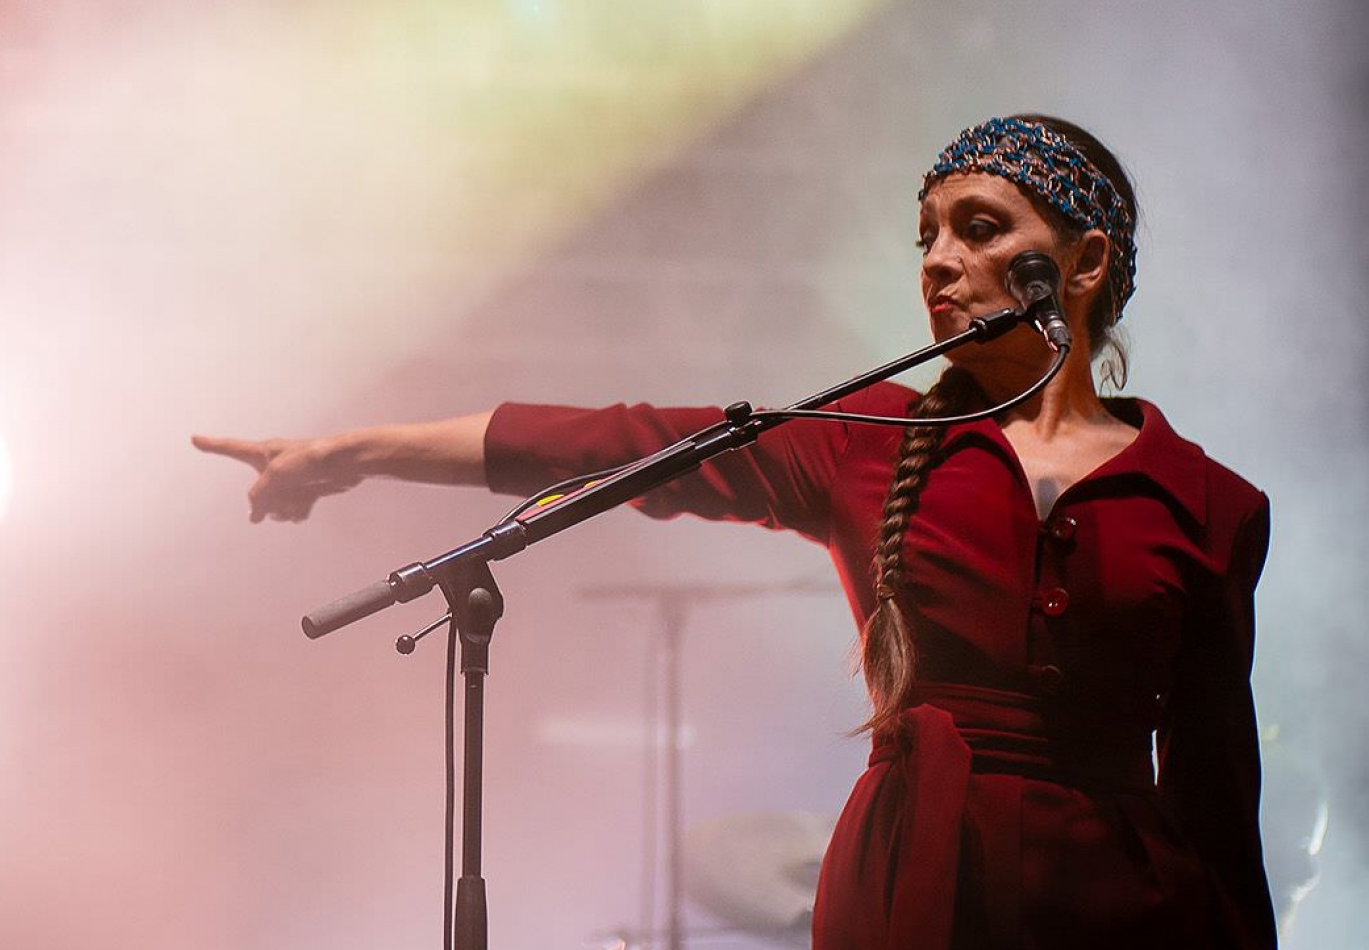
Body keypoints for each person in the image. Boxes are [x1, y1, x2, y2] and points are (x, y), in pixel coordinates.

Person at [196, 115, 1273, 948]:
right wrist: (353, 450)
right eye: (927, 235)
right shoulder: (864, 437)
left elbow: (1221, 796)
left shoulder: (1212, 502)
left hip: (1129, 909)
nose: (938, 260)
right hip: (913, 879)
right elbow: (617, 441)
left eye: (980, 229)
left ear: (1080, 267)